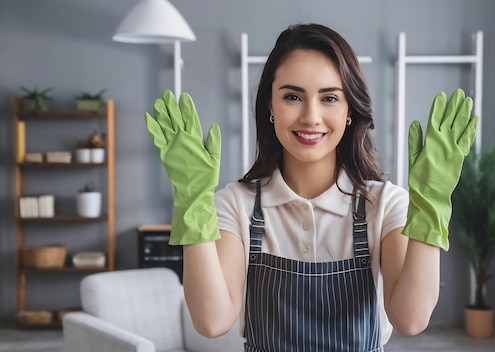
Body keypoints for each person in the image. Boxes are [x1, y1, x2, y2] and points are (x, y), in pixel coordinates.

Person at [145, 23, 477, 351]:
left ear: (349, 110)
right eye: (292, 96)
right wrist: (191, 201)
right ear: (270, 107)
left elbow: (411, 319)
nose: (311, 116)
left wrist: (431, 203)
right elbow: (211, 322)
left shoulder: (385, 204)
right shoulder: (236, 205)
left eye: (329, 98)